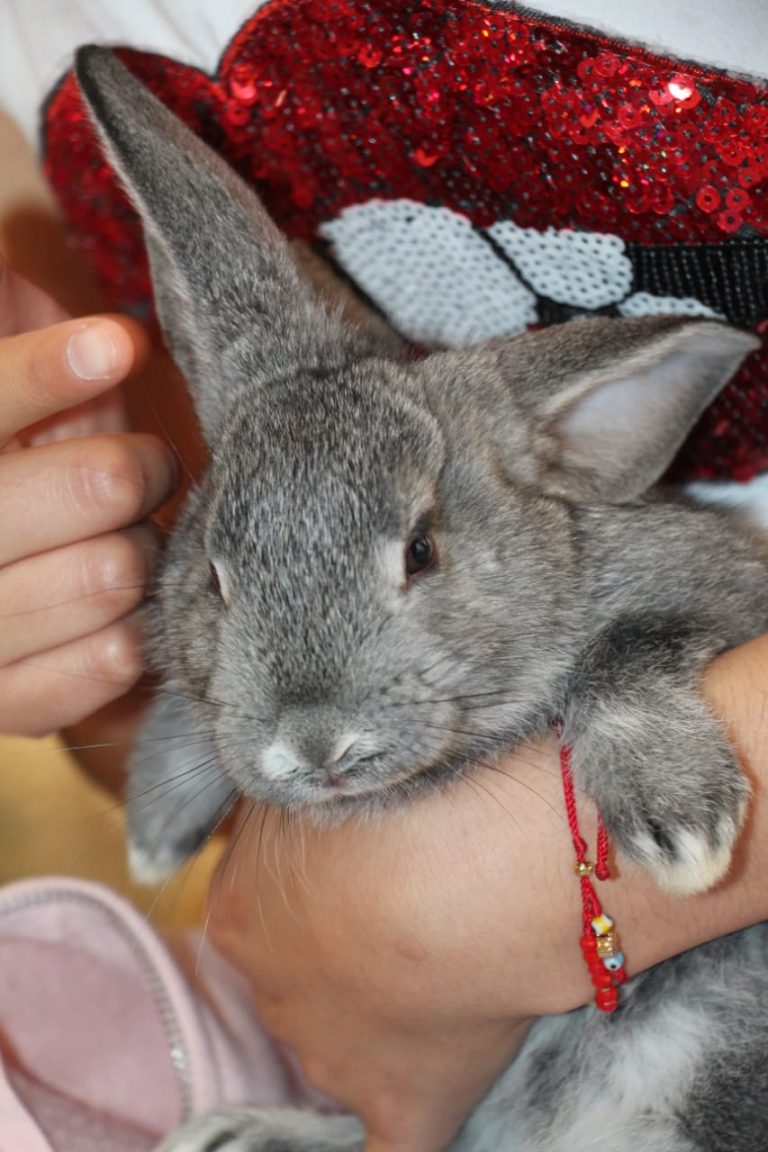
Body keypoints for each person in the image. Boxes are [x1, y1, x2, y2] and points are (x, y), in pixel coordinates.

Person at [1, 1, 768, 1149]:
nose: (316, 745)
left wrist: (523, 876)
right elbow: (208, 688)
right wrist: (97, 647)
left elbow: (713, 601)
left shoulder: (532, 499)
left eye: (413, 560)